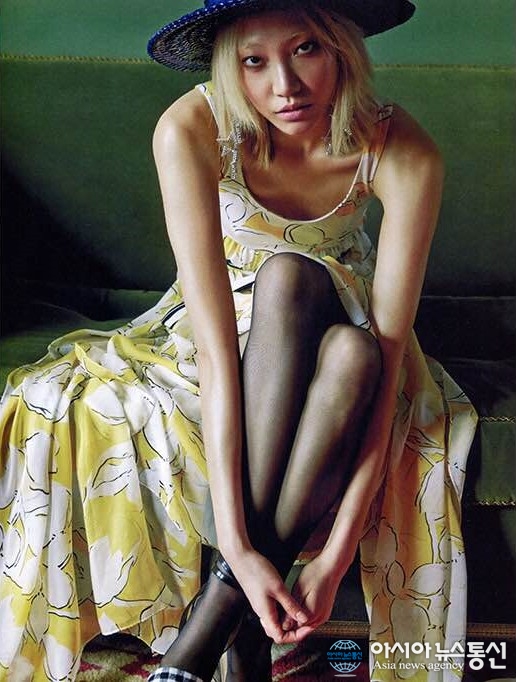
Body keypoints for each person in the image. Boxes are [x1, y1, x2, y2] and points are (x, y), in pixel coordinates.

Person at [0, 1, 478, 681]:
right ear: (230, 66)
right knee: (296, 292)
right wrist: (239, 544)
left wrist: (336, 554)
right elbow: (219, 354)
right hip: (220, 332)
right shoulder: (192, 127)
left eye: (306, 49)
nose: (285, 86)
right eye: (254, 61)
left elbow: (390, 354)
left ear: (342, 48)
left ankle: (211, 635)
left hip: (348, 326)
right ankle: (241, 632)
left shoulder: (400, 148)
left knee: (337, 327)